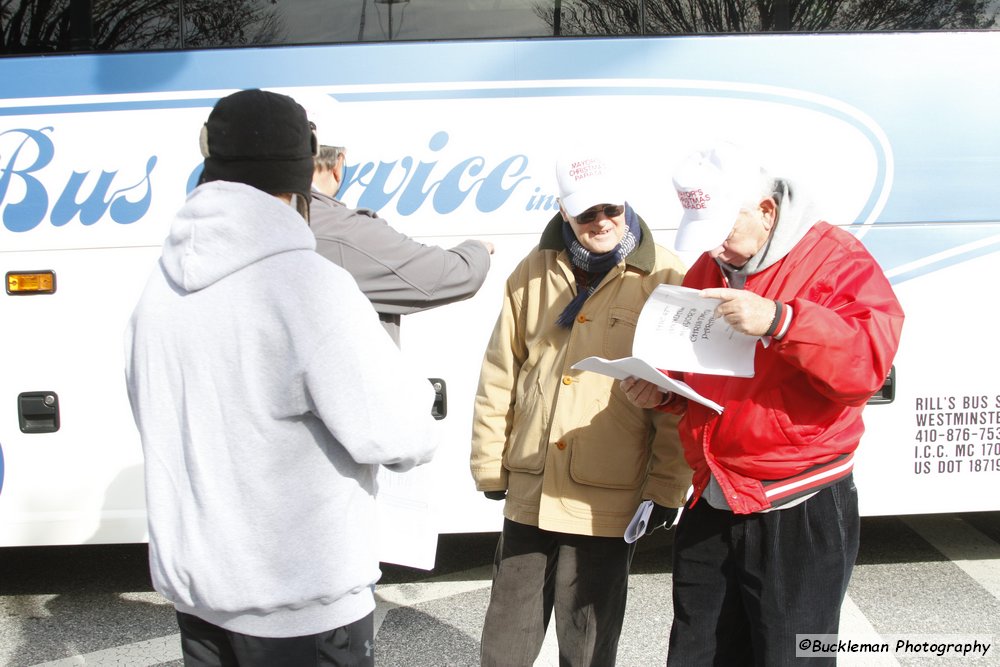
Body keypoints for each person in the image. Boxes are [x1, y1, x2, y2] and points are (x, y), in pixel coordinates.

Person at [124, 89, 439, 666]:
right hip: (301, 601)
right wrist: (416, 396)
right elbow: (398, 433)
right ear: (301, 175)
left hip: (199, 597)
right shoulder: (308, 285)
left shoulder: (159, 288)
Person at [621, 142, 905, 666]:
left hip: (798, 500)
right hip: (715, 491)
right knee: (697, 650)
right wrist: (663, 390)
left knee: (790, 654)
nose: (716, 250)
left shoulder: (836, 259)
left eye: (723, 231)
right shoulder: (710, 265)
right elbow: (697, 371)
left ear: (766, 212)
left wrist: (782, 320)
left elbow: (867, 365)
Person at [471, 155, 692, 667]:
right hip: (532, 481)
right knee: (506, 632)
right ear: (563, 212)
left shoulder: (665, 277)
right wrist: (489, 462)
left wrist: (665, 487)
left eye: (610, 209)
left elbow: (676, 398)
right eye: (586, 212)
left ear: (626, 204)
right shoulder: (532, 271)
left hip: (607, 492)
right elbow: (500, 372)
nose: (601, 222)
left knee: (588, 638)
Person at [309, 142, 494, 344]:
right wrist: (478, 249)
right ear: (338, 166)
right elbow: (457, 274)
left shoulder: (276, 218)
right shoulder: (341, 231)